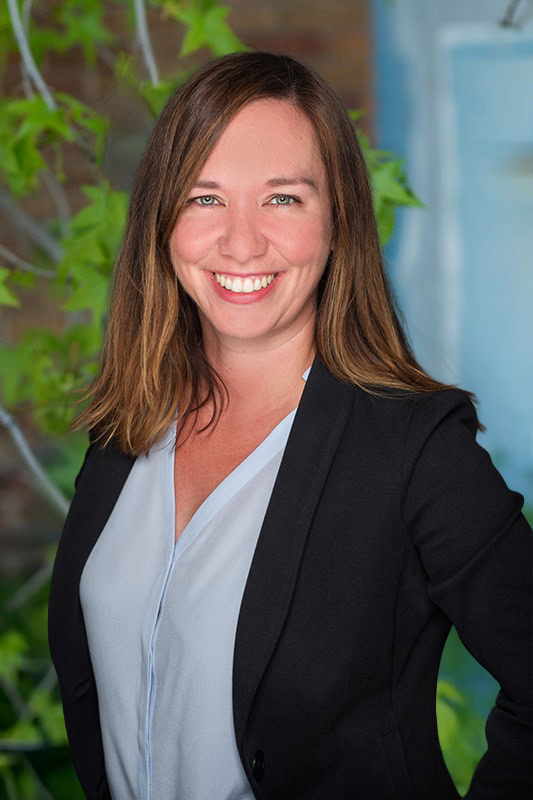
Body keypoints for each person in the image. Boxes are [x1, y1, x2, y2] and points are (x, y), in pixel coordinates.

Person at [47, 50, 532, 800]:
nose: (241, 243)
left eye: (282, 199)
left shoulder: (414, 450)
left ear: (337, 222)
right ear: (161, 222)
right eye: (205, 199)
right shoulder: (125, 430)